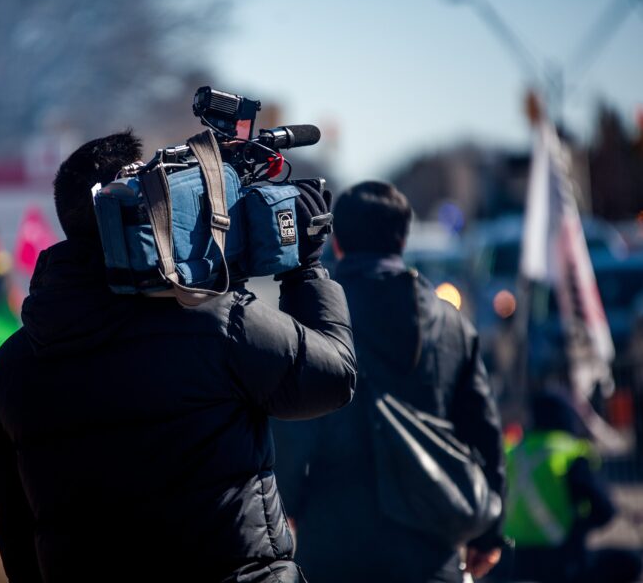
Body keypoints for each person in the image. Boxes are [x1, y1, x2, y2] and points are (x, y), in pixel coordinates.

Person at [0, 131, 357, 582]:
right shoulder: (220, 323)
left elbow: (13, 523)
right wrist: (305, 270)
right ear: (140, 204)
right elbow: (333, 377)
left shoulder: (11, 366)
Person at [273, 181, 506, 582]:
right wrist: (488, 535)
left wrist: (285, 506)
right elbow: (483, 431)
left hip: (335, 539)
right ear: (402, 238)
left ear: (338, 241)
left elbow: (294, 425)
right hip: (431, 542)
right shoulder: (451, 322)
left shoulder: (319, 315)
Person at [500, 389, 643, 583]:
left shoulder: (512, 453)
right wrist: (579, 526)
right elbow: (604, 510)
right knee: (630, 563)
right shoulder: (571, 453)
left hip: (513, 562)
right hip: (562, 563)